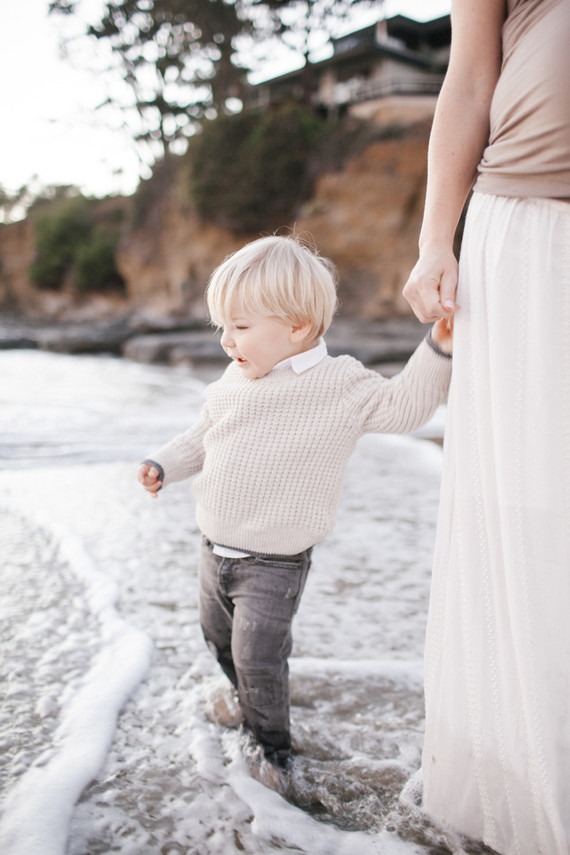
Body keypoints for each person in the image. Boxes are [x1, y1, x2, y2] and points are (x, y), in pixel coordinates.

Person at [138, 234, 453, 788]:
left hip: (274, 564)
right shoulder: (236, 379)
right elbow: (203, 435)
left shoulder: (340, 384)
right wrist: (163, 463)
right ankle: (245, 703)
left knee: (259, 657)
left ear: (297, 328)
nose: (225, 341)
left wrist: (438, 349)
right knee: (217, 639)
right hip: (214, 550)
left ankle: (273, 751)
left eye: (239, 327)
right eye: (221, 327)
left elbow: (404, 406)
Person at [402, 1, 570, 853]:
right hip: (526, 227)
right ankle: (523, 775)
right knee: (521, 500)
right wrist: (438, 238)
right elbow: (469, 79)